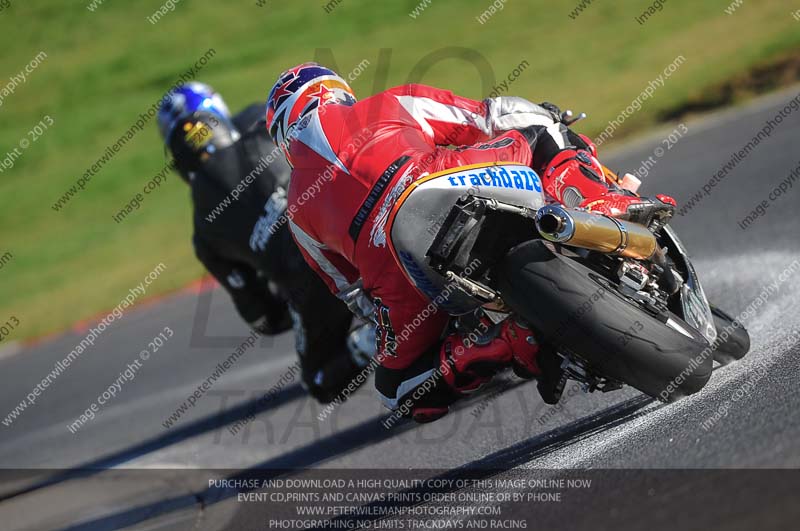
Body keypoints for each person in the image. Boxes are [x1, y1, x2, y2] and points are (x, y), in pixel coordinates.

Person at [265, 63, 676, 422]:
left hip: (397, 267)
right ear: (335, 93)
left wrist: (419, 320)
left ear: (283, 134)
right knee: (539, 131)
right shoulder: (384, 102)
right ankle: (597, 200)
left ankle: (499, 345)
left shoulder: (297, 214)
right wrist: (549, 115)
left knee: (394, 387)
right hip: (445, 181)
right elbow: (489, 116)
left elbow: (351, 292)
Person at [157, 81, 372, 403]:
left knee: (320, 381)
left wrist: (289, 299)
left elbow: (264, 318)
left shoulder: (203, 230)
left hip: (309, 281)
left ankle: (371, 341)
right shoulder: (265, 120)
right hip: (356, 220)